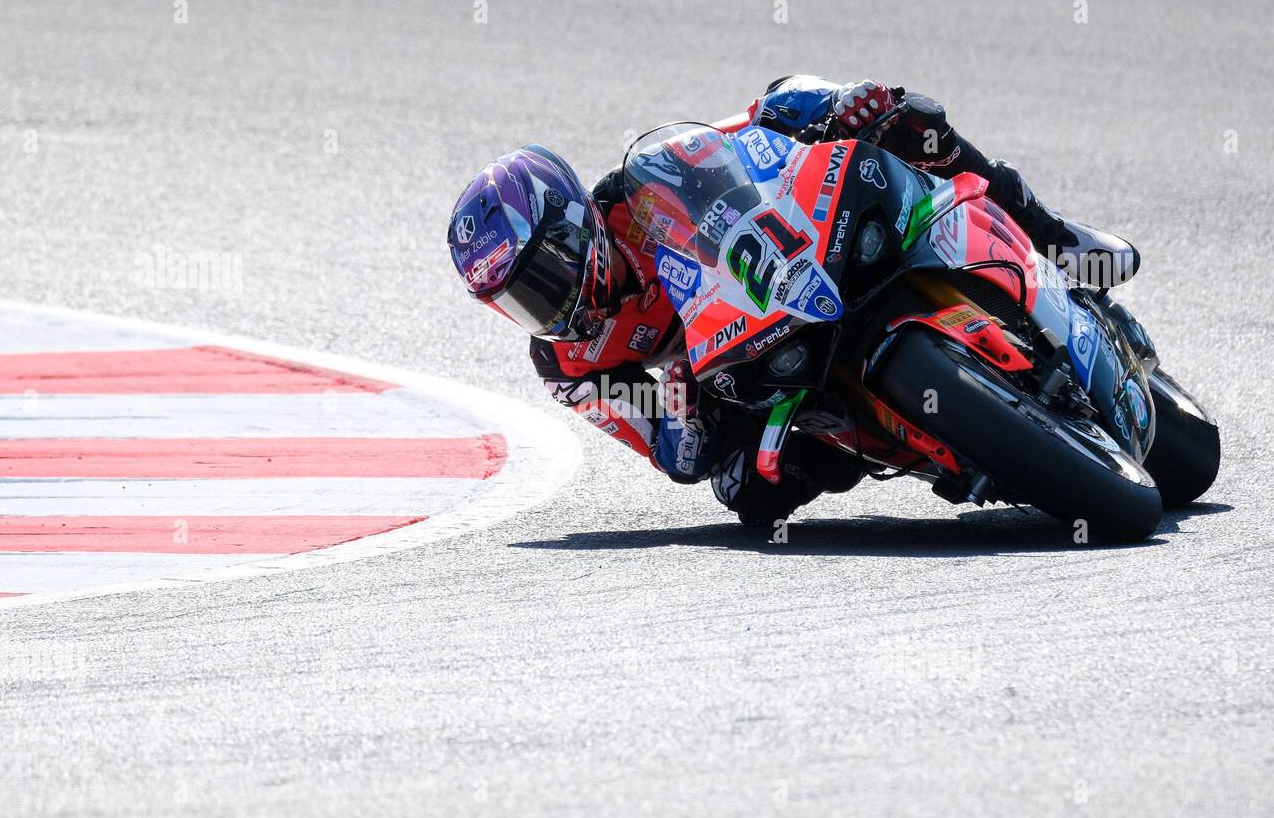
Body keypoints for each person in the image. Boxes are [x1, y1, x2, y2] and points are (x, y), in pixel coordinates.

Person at [446, 76, 1141, 524]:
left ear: (574, 224)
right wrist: (684, 400)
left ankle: (1054, 239)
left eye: (544, 274)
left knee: (909, 122)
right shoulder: (567, 366)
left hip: (792, 267)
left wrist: (827, 109)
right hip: (730, 370)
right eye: (520, 302)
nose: (549, 305)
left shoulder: (644, 189)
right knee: (745, 491)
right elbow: (670, 451)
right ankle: (910, 442)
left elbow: (748, 130)